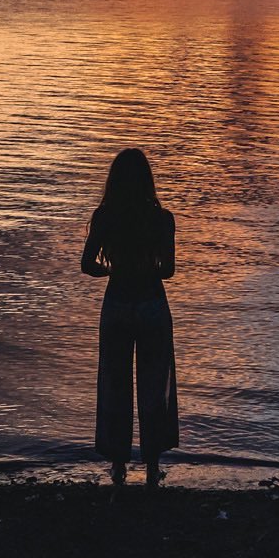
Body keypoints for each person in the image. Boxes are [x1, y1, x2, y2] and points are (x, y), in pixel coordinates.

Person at [81, 148, 178, 487]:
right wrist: (147, 266)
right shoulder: (162, 218)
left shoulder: (105, 216)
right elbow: (168, 270)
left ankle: (118, 464)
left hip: (118, 303)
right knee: (155, 384)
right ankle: (152, 466)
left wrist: (112, 270)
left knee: (115, 383)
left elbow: (87, 265)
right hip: (152, 304)